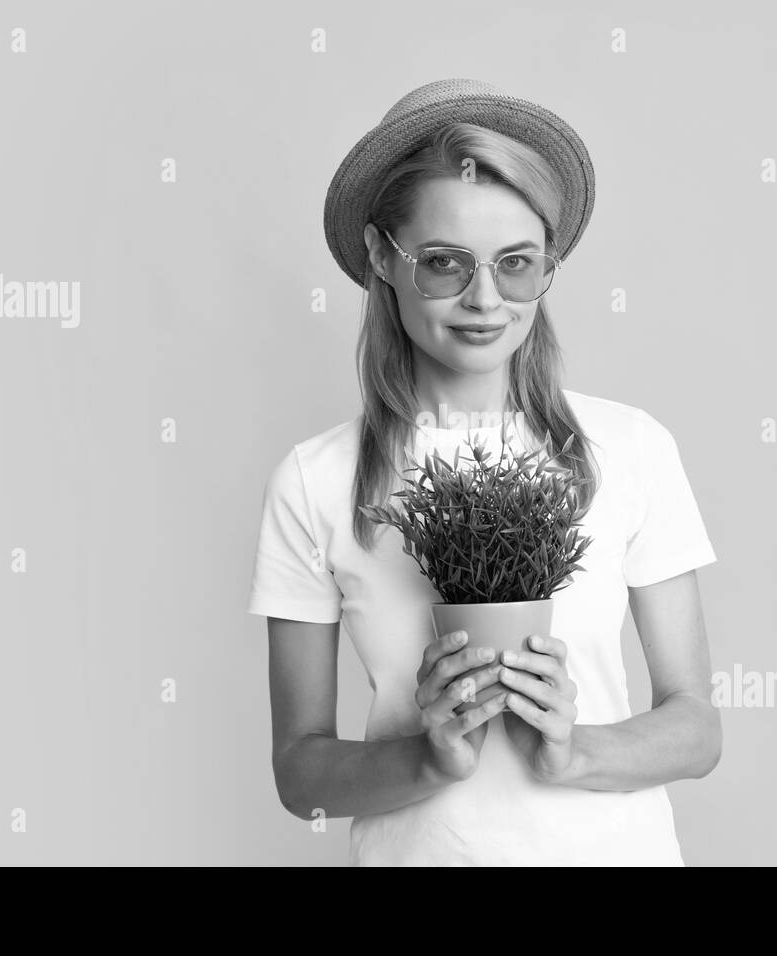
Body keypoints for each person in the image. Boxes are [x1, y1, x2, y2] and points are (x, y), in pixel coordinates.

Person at [247, 78, 721, 866]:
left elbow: (697, 727)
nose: (484, 300)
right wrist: (426, 759)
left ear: (548, 269)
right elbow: (302, 775)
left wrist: (574, 752)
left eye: (516, 264)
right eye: (443, 263)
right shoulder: (316, 480)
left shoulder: (630, 448)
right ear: (380, 257)